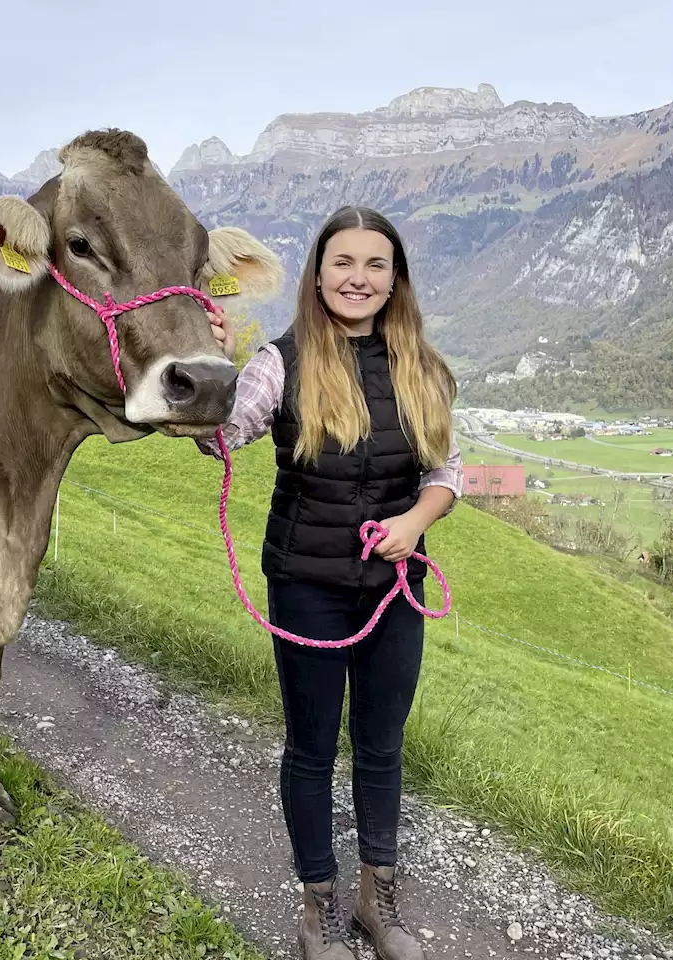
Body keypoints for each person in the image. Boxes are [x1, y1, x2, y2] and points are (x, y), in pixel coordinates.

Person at [200, 206, 463, 960]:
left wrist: (414, 524)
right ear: (318, 274)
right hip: (306, 582)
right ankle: (318, 903)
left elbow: (448, 471)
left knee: (381, 745)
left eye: (375, 264)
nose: (358, 277)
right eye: (342, 262)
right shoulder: (279, 364)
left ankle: (376, 905)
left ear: (395, 278)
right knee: (312, 748)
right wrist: (211, 363)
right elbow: (221, 437)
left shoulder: (422, 365)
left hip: (393, 586)